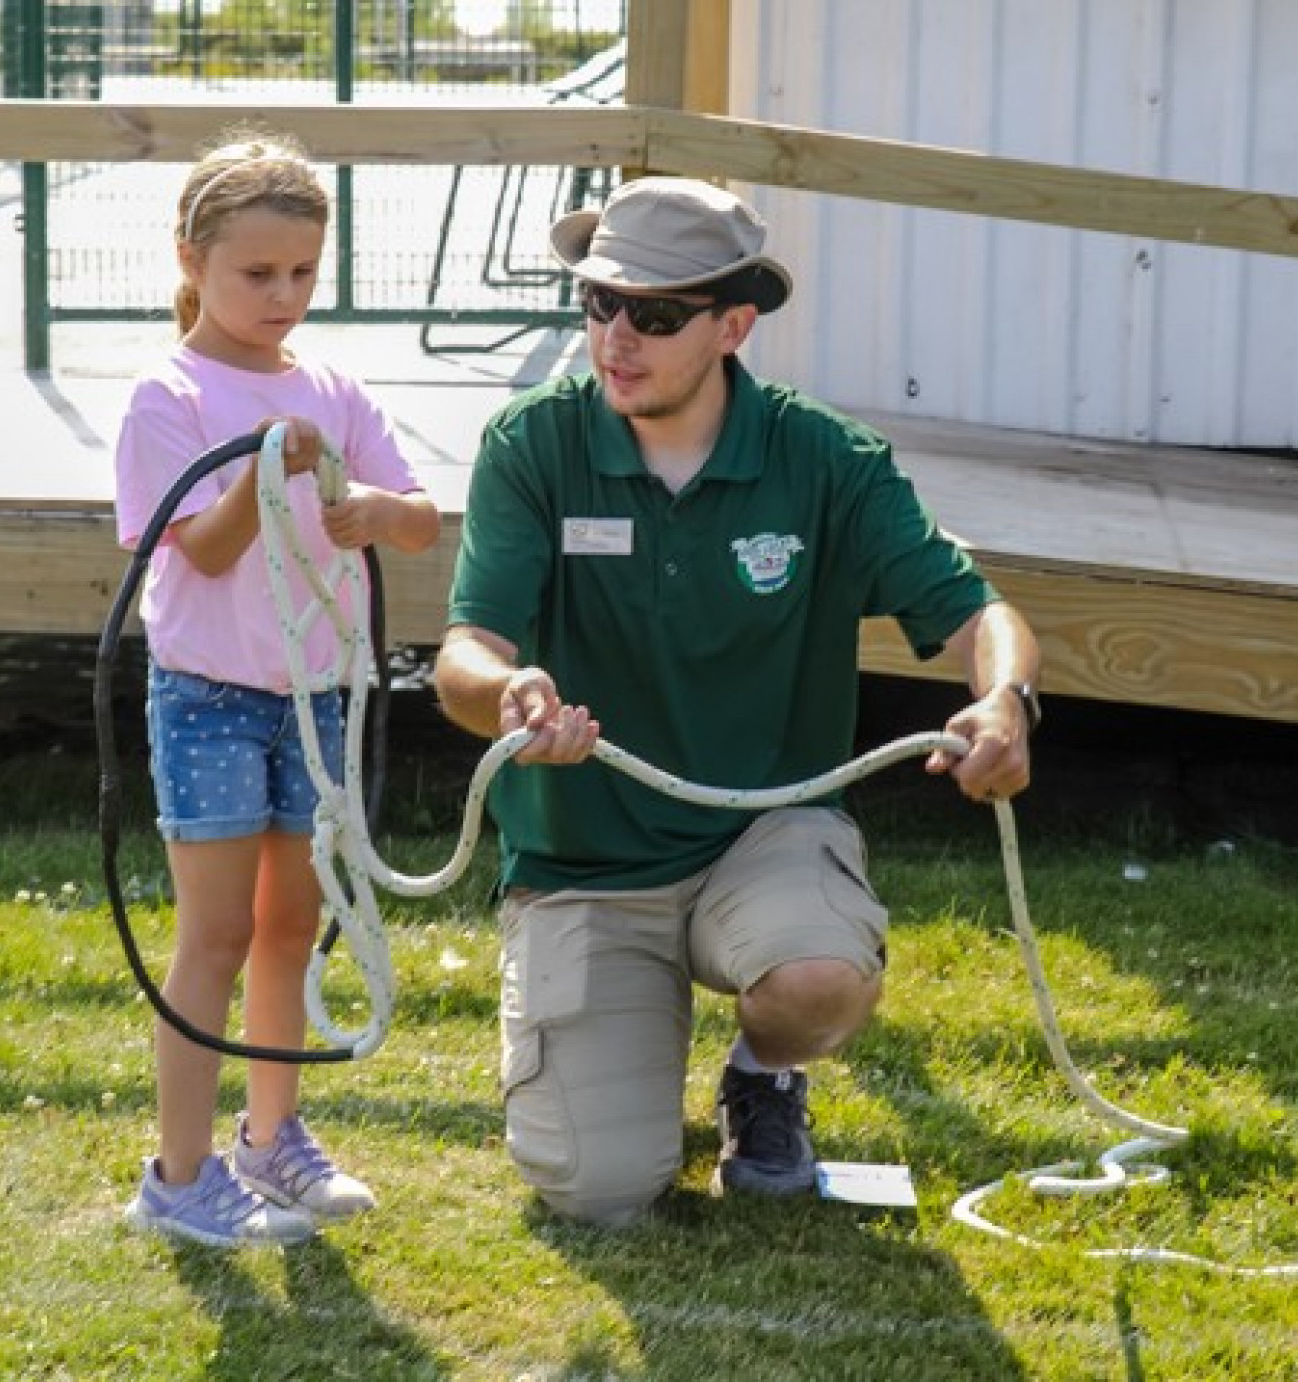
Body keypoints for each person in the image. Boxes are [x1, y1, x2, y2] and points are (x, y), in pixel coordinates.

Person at [434, 176, 1042, 1227]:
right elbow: (461, 654)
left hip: (762, 833)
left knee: (819, 977)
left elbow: (979, 610)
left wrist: (1004, 703)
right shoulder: (530, 443)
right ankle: (620, 1047)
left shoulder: (823, 458)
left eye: (656, 314)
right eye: (596, 304)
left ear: (732, 324)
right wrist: (509, 693)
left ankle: (762, 1073)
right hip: (583, 862)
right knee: (594, 1191)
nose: (617, 336)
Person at [111, 128, 442, 1248]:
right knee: (212, 933)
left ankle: (271, 1137)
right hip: (208, 692)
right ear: (191, 260)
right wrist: (264, 465)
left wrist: (377, 515)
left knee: (291, 925)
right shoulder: (166, 396)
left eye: (302, 273)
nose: (284, 295)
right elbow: (195, 551)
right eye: (259, 273)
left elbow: (416, 511)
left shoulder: (333, 387)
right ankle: (178, 1171)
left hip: (316, 694)